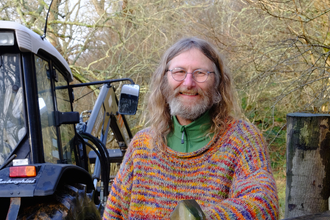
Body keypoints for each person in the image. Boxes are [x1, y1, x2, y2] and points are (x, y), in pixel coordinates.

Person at [103, 37, 279, 219]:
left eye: (200, 73)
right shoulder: (142, 146)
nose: (188, 83)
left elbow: (263, 204)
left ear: (218, 83)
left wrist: (195, 217)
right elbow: (113, 215)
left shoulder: (242, 139)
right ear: (164, 81)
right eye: (179, 72)